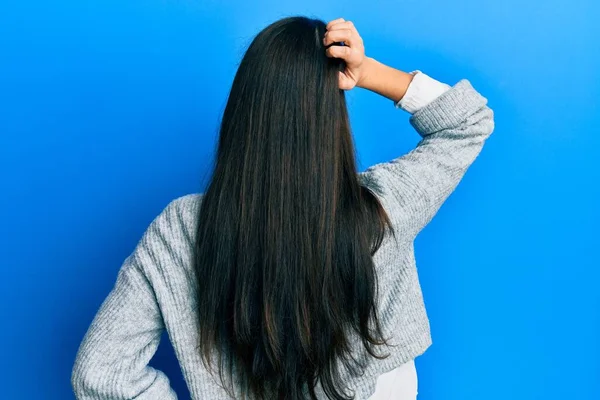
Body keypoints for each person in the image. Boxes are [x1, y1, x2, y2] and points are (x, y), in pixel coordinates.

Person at [71, 16, 494, 400]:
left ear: (243, 110)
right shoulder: (382, 208)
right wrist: (367, 74)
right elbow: (468, 121)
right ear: (331, 121)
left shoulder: (180, 230)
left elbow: (101, 372)